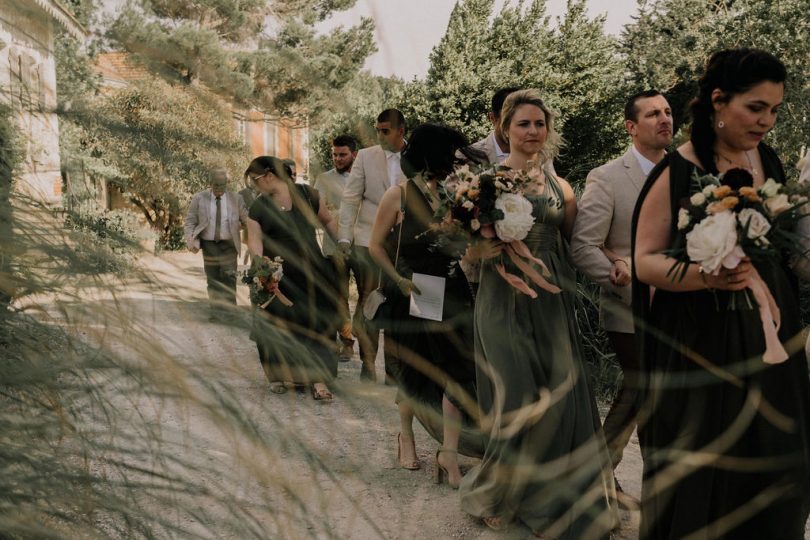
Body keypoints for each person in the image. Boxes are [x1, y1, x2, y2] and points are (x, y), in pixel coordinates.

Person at [632, 48, 810, 539]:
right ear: (717, 101)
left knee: (774, 455)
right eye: (755, 108)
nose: (767, 121)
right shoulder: (677, 171)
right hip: (702, 340)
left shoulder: (767, 158)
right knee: (711, 469)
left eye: (774, 110)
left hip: (772, 329)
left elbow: (784, 242)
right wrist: (706, 276)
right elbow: (644, 261)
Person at [459, 89, 616, 539]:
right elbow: (464, 253)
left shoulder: (560, 187)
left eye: (539, 124)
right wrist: (481, 247)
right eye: (523, 124)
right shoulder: (480, 185)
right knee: (517, 396)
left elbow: (582, 243)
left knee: (557, 399)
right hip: (500, 301)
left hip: (550, 304)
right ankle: (498, 492)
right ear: (505, 128)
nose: (532, 132)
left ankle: (550, 499)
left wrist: (619, 267)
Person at [570, 90, 673, 502]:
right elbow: (584, 246)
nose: (664, 119)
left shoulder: (688, 173)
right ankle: (597, 480)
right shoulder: (608, 177)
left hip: (682, 306)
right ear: (631, 127)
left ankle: (636, 488)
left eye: (667, 112)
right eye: (653, 114)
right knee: (640, 389)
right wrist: (618, 274)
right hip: (628, 305)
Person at [368, 123, 485, 483]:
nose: (455, 159)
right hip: (414, 290)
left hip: (450, 287)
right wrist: (400, 281)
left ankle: (447, 452)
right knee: (413, 369)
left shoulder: (459, 192)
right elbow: (375, 245)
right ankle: (406, 436)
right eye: (449, 153)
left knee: (458, 367)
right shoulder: (398, 194)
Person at [245, 156, 339, 400]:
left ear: (269, 176)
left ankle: (318, 379)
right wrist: (260, 267)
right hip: (277, 276)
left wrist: (344, 246)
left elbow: (327, 220)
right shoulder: (258, 206)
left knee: (316, 323)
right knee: (277, 324)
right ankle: (280, 374)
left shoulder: (308, 194)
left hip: (312, 272)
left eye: (255, 180)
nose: (255, 186)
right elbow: (254, 240)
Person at [337, 109, 407, 382]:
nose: (379, 135)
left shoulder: (415, 156)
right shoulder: (365, 156)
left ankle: (393, 371)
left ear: (401, 131)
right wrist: (345, 236)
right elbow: (351, 198)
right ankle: (368, 364)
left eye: (385, 130)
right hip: (367, 241)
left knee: (398, 306)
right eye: (377, 129)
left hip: (402, 243)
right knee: (370, 304)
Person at [313, 135, 359, 360]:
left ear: (354, 154)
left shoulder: (364, 177)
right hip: (333, 247)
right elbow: (317, 211)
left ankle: (367, 346)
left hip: (361, 245)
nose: (338, 159)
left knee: (367, 295)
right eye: (334, 154)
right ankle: (347, 342)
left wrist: (336, 213)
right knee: (339, 297)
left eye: (342, 154)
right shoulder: (323, 179)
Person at [184, 167, 248, 322]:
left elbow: (247, 220)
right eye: (216, 185)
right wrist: (190, 240)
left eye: (222, 185)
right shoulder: (200, 198)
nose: (219, 188)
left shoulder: (236, 198)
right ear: (210, 183)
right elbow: (190, 221)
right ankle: (216, 313)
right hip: (209, 244)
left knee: (229, 277)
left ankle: (231, 313)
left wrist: (243, 226)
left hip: (229, 243)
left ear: (227, 183)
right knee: (213, 279)